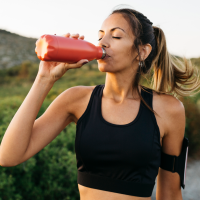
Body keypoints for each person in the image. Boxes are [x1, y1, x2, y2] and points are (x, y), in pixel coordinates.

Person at [0, 7, 199, 200]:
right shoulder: (76, 99)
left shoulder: (168, 109)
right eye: (100, 35)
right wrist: (44, 79)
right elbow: (8, 157)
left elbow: (171, 194)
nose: (102, 42)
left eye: (116, 36)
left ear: (142, 51)